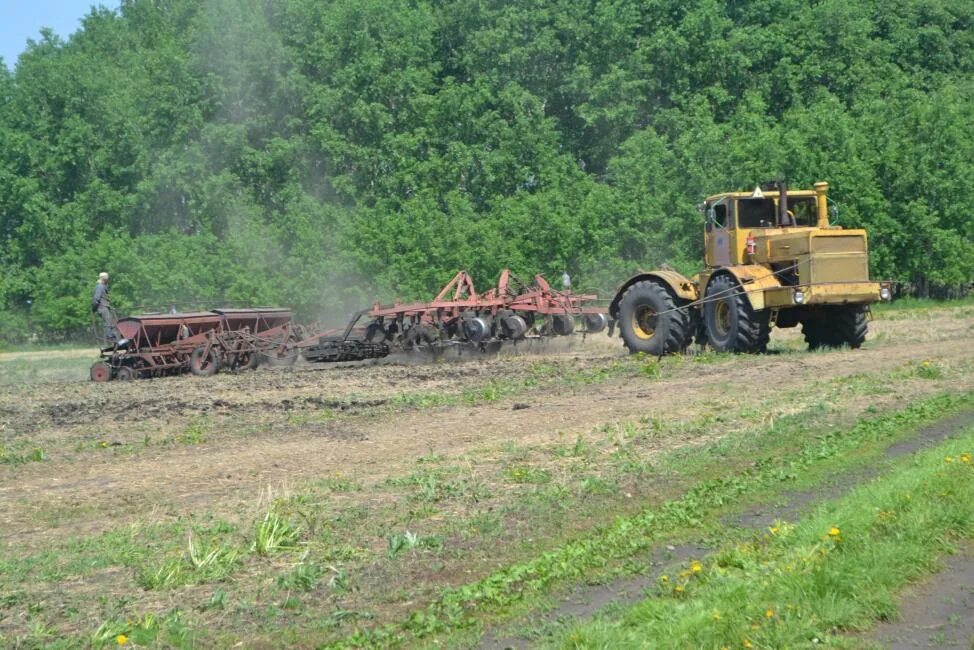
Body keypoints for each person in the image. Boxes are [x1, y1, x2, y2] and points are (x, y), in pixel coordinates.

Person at [91, 272, 120, 343]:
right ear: (104, 279)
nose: (108, 280)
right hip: (102, 308)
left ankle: (115, 337)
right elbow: (96, 299)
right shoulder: (99, 287)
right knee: (107, 322)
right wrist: (94, 308)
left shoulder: (103, 286)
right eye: (107, 279)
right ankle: (110, 337)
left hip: (105, 307)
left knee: (112, 322)